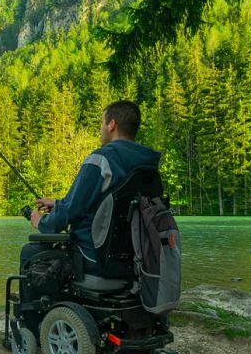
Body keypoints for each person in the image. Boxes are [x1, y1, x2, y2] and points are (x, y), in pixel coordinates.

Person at [20, 100, 161, 276]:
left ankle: (31, 304)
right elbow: (103, 203)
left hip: (94, 257)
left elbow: (71, 211)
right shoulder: (149, 165)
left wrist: (40, 221)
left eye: (102, 123)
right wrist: (58, 203)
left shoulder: (102, 160)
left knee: (30, 252)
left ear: (112, 125)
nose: (100, 129)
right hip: (138, 257)